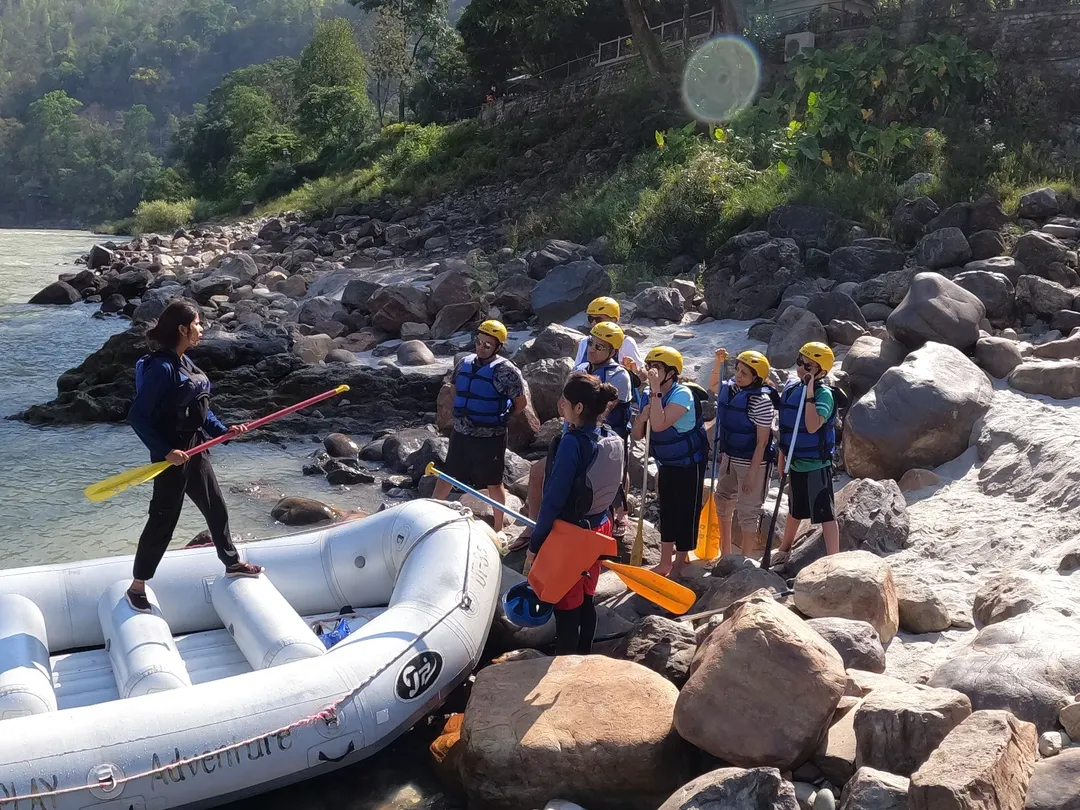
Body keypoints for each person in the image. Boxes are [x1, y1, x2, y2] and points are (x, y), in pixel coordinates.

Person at [126, 301, 263, 614]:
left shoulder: (185, 361)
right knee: (162, 523)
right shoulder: (162, 368)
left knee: (217, 509)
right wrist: (165, 452)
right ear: (182, 329)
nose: (203, 329)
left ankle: (232, 563)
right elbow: (137, 416)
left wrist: (223, 430)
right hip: (172, 459)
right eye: (198, 324)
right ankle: (136, 587)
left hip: (196, 450)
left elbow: (201, 408)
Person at [523, 373, 624, 654]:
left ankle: (565, 664)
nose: (561, 406)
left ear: (578, 408)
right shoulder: (612, 437)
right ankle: (584, 655)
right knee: (586, 598)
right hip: (599, 529)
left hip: (571, 537)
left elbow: (553, 499)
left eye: (565, 402)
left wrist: (535, 544)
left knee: (567, 604)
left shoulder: (572, 443)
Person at [511, 321, 633, 552]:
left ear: (612, 352)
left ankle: (618, 515)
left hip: (598, 445)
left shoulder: (620, 377)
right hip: (574, 437)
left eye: (600, 346)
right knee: (537, 473)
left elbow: (602, 412)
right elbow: (562, 404)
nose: (593, 349)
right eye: (592, 344)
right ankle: (533, 527)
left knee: (602, 486)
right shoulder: (580, 370)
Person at [432, 320, 527, 537]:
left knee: (493, 482)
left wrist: (501, 418)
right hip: (462, 432)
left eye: (487, 345)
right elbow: (455, 389)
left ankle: (498, 527)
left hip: (490, 436)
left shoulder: (506, 371)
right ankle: (431, 511)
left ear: (498, 347)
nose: (481, 348)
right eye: (479, 342)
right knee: (449, 475)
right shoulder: (464, 363)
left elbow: (520, 404)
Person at [631, 346, 708, 578]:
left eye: (658, 367)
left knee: (685, 511)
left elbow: (660, 424)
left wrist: (654, 391)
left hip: (689, 464)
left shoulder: (682, 394)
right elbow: (638, 434)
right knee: (667, 510)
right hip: (666, 463)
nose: (652, 371)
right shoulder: (649, 394)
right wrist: (640, 417)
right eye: (650, 366)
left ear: (671, 373)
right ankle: (665, 561)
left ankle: (680, 562)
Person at [772, 342, 841, 565]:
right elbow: (786, 430)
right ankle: (784, 548)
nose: (800, 367)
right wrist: (782, 459)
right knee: (794, 510)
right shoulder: (792, 389)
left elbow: (812, 426)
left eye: (807, 365)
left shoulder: (824, 395)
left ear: (820, 371)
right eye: (800, 361)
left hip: (816, 465)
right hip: (796, 462)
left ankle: (834, 559)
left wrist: (810, 393)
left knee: (825, 515)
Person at [708, 349, 776, 558]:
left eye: (744, 373)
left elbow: (762, 442)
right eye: (738, 370)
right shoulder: (731, 390)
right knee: (722, 500)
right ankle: (725, 553)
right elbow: (712, 386)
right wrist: (718, 363)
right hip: (729, 457)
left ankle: (745, 560)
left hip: (752, 461)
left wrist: (752, 474)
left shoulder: (762, 401)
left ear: (756, 378)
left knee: (748, 511)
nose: (738, 375)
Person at [573, 297, 644, 371]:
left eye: (598, 320)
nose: (593, 323)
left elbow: (643, 375)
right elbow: (575, 370)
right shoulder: (585, 342)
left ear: (613, 320)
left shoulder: (626, 343)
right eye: (590, 319)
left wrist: (636, 371)